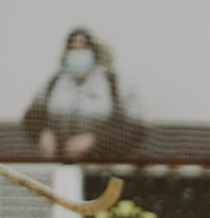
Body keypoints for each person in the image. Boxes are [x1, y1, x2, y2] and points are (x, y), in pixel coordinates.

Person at [23, 27, 144, 162]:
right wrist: (43, 132)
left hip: (105, 167)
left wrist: (95, 141)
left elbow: (135, 129)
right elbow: (31, 117)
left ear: (94, 52)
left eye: (83, 48)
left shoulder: (114, 83)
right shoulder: (54, 82)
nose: (77, 53)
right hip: (61, 166)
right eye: (73, 48)